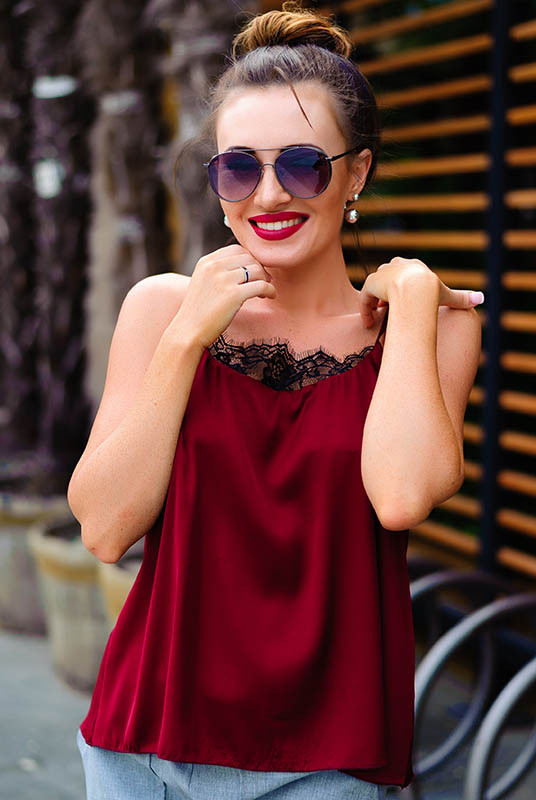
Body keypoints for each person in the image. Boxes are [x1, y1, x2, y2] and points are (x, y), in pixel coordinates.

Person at [68, 3, 482, 798]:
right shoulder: (162, 309)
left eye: (301, 165)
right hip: (145, 748)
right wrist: (187, 339)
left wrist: (413, 300)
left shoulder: (431, 328)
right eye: (237, 168)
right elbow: (104, 527)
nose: (267, 195)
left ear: (356, 173)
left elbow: (401, 496)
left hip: (331, 761)